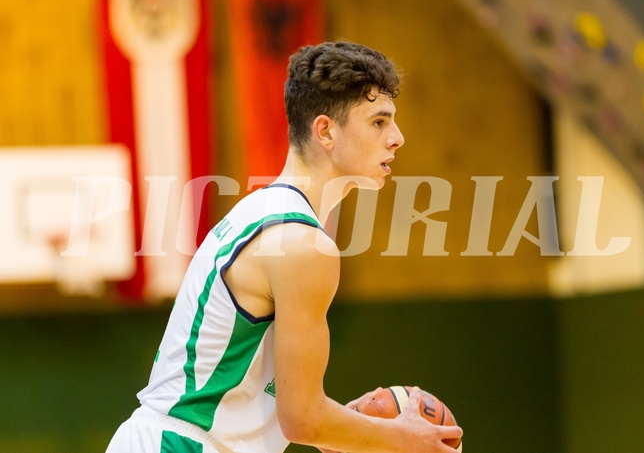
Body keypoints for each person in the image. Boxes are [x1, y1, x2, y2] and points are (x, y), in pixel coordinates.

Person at [106, 41, 463, 453]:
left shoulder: (263, 210)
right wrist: (402, 438)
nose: (397, 138)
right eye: (379, 122)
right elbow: (304, 421)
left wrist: (348, 426)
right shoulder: (303, 245)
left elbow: (288, 410)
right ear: (326, 130)